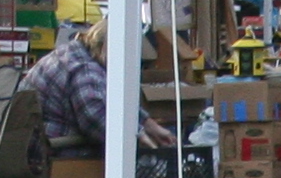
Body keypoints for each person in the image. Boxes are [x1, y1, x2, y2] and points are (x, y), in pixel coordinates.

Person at [24, 18, 173, 161]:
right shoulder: (85, 69)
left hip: (36, 142)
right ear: (103, 46)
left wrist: (149, 124)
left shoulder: (74, 52)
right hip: (52, 151)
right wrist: (137, 135)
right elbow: (94, 116)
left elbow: (112, 100)